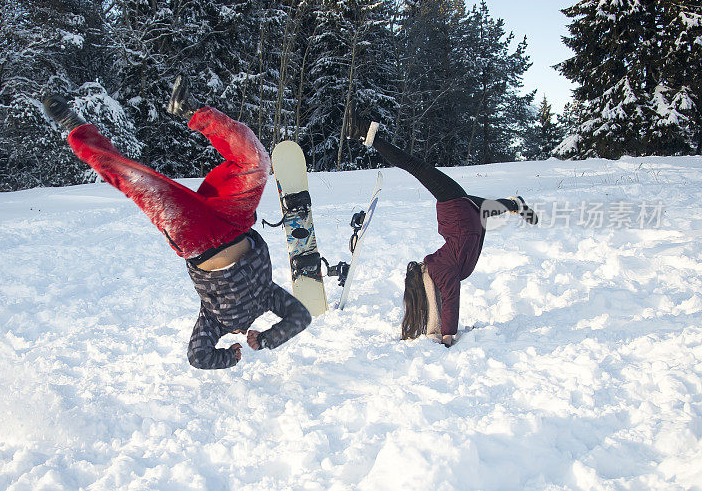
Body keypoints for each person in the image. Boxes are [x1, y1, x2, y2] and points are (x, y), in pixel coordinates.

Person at [41, 76, 311, 369]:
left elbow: (198, 357)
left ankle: (73, 125)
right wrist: (267, 339)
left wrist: (228, 358)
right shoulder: (268, 297)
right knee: (256, 161)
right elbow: (300, 317)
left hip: (195, 238)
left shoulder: (212, 321)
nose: (240, 331)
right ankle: (191, 110)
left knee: (137, 180)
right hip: (235, 221)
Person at [346, 108, 538, 347]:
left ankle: (514, 204)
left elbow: (448, 294)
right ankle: (371, 136)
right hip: (458, 215)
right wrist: (448, 334)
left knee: (476, 202)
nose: (419, 264)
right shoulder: (440, 270)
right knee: (415, 166)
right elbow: (450, 299)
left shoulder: (445, 268)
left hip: (468, 220)